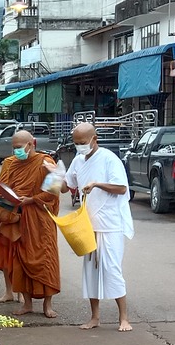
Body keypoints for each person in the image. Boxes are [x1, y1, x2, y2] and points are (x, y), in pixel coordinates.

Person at [58, 123, 135, 332]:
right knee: (91, 271)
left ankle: (124, 318)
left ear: (95, 139)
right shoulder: (77, 160)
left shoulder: (109, 159)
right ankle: (94, 317)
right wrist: (54, 176)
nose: (80, 147)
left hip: (110, 224)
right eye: (76, 143)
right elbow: (67, 186)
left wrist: (97, 184)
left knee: (111, 269)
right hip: (88, 224)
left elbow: (121, 187)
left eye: (82, 143)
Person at [0, 130, 61, 317]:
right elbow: (3, 187)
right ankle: (27, 303)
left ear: (31, 144)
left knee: (46, 258)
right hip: (19, 217)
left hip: (40, 218)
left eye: (19, 147)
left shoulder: (46, 163)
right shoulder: (13, 164)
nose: (17, 151)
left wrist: (32, 199)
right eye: (14, 148)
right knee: (20, 259)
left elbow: (54, 191)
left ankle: (47, 305)